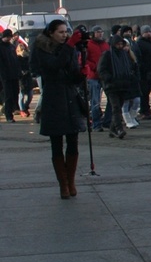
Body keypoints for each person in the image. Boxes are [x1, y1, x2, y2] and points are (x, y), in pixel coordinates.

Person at [31, 20, 86, 199]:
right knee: (56, 143)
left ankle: (71, 181)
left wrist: (80, 74)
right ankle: (63, 184)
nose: (64, 35)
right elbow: (54, 66)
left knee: (73, 140)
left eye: (65, 32)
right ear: (51, 33)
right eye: (60, 32)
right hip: (54, 98)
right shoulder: (42, 48)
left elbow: (71, 72)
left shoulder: (68, 48)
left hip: (70, 97)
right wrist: (69, 46)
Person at [97, 35, 141, 139]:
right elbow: (101, 69)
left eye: (121, 44)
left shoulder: (124, 55)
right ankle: (119, 128)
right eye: (118, 44)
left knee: (118, 107)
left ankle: (113, 130)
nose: (120, 46)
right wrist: (109, 78)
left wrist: (130, 78)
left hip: (123, 85)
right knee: (116, 107)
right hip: (112, 86)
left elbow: (130, 68)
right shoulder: (107, 55)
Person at [85, 26, 110, 131]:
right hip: (93, 76)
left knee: (111, 99)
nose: (100, 34)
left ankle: (107, 121)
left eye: (101, 32)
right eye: (97, 32)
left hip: (105, 76)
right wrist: (95, 67)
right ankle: (96, 123)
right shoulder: (88, 45)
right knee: (95, 101)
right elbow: (85, 60)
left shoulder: (105, 45)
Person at [0, 28, 20, 123]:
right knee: (8, 95)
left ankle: (10, 109)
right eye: (7, 37)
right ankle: (9, 115)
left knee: (15, 93)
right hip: (5, 76)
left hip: (14, 74)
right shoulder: (1, 47)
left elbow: (15, 60)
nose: (8, 39)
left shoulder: (11, 47)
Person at [16, 43, 33, 118]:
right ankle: (22, 110)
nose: (23, 50)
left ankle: (25, 106)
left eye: (23, 48)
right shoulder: (17, 58)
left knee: (30, 95)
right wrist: (21, 72)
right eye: (21, 49)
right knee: (21, 95)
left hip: (28, 77)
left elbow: (31, 65)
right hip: (21, 78)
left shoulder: (28, 56)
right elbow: (16, 67)